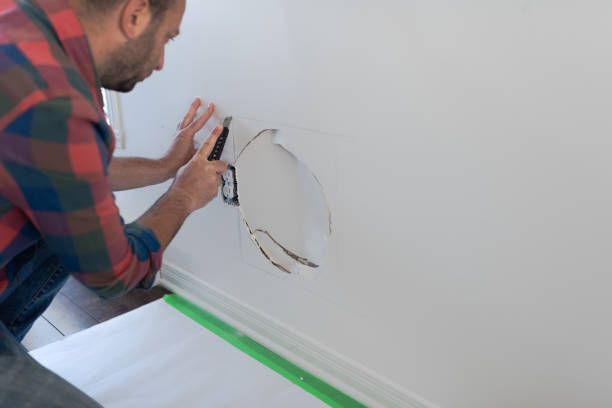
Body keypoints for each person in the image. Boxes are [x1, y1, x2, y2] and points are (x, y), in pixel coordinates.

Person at [0, 0, 227, 342]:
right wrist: (183, 196)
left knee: (69, 219)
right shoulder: (55, 100)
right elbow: (114, 273)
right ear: (134, 15)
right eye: (167, 38)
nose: (162, 62)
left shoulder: (22, 21)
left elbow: (68, 173)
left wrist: (167, 166)